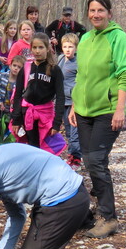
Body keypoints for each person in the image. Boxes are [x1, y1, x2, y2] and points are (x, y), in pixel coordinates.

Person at [68, 0, 126, 239]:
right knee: (90, 161)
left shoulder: (118, 37)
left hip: (108, 110)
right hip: (84, 111)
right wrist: (74, 104)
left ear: (109, 13)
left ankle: (109, 218)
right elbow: (81, 75)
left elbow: (125, 73)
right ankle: (99, 209)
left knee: (96, 161)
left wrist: (120, 109)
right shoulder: (85, 39)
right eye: (92, 10)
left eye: (100, 10)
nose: (96, 15)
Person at [12, 33, 64, 153]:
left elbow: (60, 96)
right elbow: (18, 94)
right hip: (27, 113)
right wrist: (16, 119)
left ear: (48, 48)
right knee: (31, 146)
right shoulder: (26, 68)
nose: (37, 51)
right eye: (34, 47)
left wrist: (57, 122)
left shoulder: (54, 70)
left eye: (41, 47)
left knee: (45, 148)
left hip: (45, 115)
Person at [57, 33, 82, 167]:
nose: (68, 49)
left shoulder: (78, 62)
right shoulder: (60, 59)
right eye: (65, 46)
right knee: (67, 130)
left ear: (76, 48)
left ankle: (76, 157)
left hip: (74, 101)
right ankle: (71, 154)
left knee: (74, 130)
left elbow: (80, 82)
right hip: (62, 100)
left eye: (71, 47)